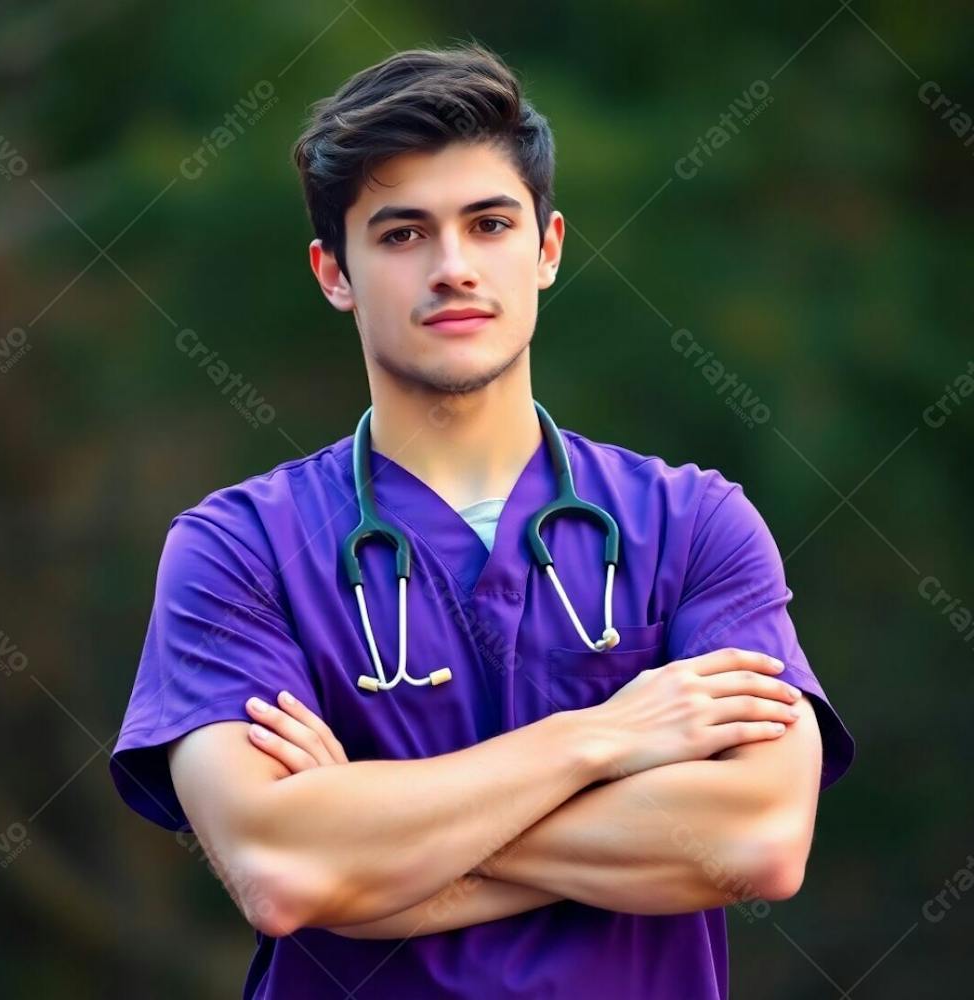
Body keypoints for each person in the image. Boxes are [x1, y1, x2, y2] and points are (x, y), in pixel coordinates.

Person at [109, 42, 855, 1000]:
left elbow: (756, 840)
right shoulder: (235, 550)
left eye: (489, 223)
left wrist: (370, 838)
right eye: (402, 234)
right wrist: (597, 741)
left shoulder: (695, 524)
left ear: (545, 249)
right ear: (334, 271)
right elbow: (284, 872)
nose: (453, 267)